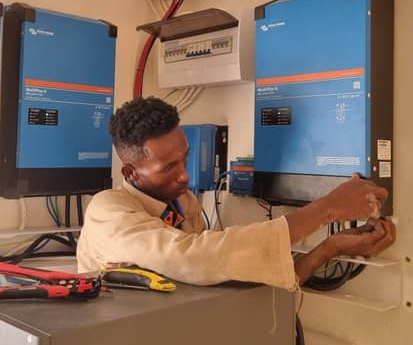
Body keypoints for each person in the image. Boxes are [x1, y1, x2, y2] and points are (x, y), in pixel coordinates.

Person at [77, 96, 396, 289]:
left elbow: (227, 271)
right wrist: (326, 209)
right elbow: (192, 258)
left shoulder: (183, 202)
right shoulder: (108, 210)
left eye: (185, 158)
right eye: (168, 167)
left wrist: (331, 246)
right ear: (130, 173)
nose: (185, 175)